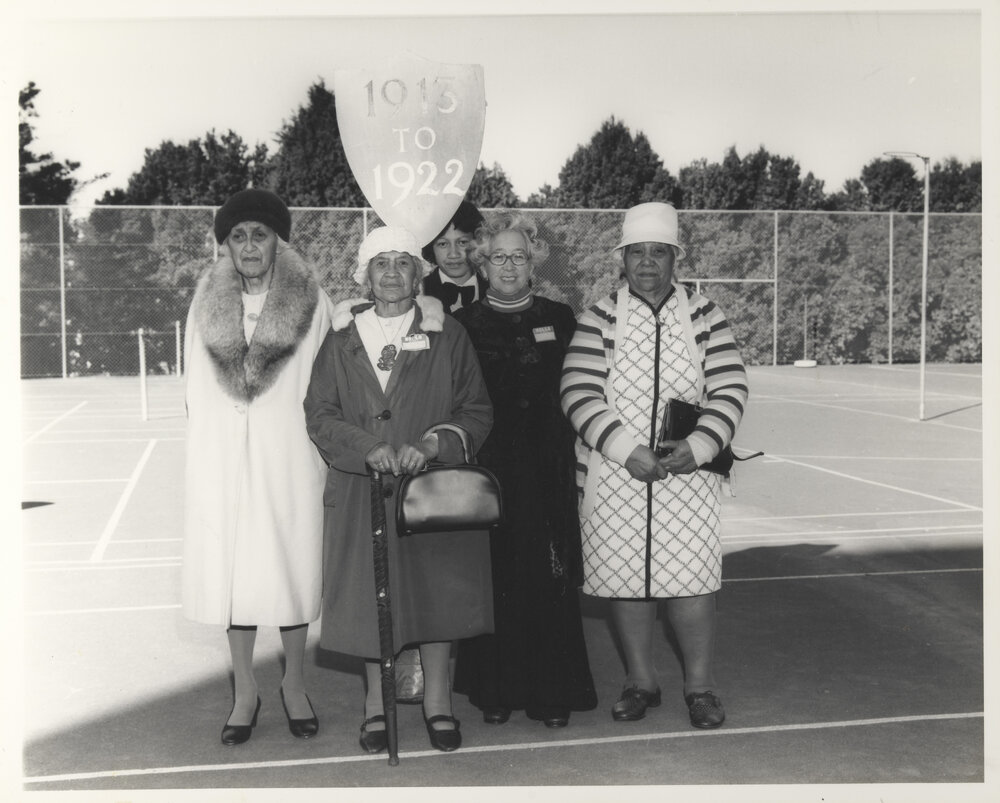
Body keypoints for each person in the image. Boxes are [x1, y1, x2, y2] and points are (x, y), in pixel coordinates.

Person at [304, 226, 493, 754]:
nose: (391, 273)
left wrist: (434, 444)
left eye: (403, 263)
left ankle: (438, 702)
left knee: (436, 596)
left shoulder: (446, 333)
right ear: (364, 275)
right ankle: (374, 705)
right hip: (361, 490)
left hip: (429, 490)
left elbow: (476, 410)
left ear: (420, 273)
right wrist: (365, 446)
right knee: (370, 598)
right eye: (380, 263)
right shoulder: (342, 338)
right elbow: (319, 412)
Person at [560, 202, 749, 730]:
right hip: (615, 472)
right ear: (623, 258)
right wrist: (624, 449)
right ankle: (641, 681)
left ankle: (700, 686)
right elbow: (577, 391)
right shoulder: (599, 315)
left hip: (688, 472)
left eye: (658, 253)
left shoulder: (706, 313)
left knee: (691, 582)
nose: (647, 263)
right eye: (637, 253)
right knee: (626, 581)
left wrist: (702, 444)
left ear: (675, 259)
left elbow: (730, 385)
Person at [182, 188, 334, 745]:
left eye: (260, 234)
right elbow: (193, 389)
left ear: (279, 241)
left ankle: (295, 684)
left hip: (289, 457)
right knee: (234, 576)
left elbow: (328, 385)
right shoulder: (203, 305)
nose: (249, 245)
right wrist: (206, 454)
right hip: (222, 462)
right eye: (238, 235)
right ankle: (245, 691)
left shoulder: (315, 305)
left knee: (290, 571)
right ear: (226, 244)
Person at [452, 211, 597, 728]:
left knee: (550, 577)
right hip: (488, 474)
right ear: (482, 263)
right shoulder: (461, 324)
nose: (509, 265)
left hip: (549, 471)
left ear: (532, 260)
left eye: (518, 255)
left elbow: (584, 393)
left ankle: (551, 693)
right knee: (494, 579)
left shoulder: (561, 318)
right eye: (498, 256)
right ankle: (496, 690)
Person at [421, 200, 488, 314]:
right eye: (443, 244)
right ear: (431, 246)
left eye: (462, 242)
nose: (453, 254)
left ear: (478, 242)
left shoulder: (494, 290)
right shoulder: (418, 293)